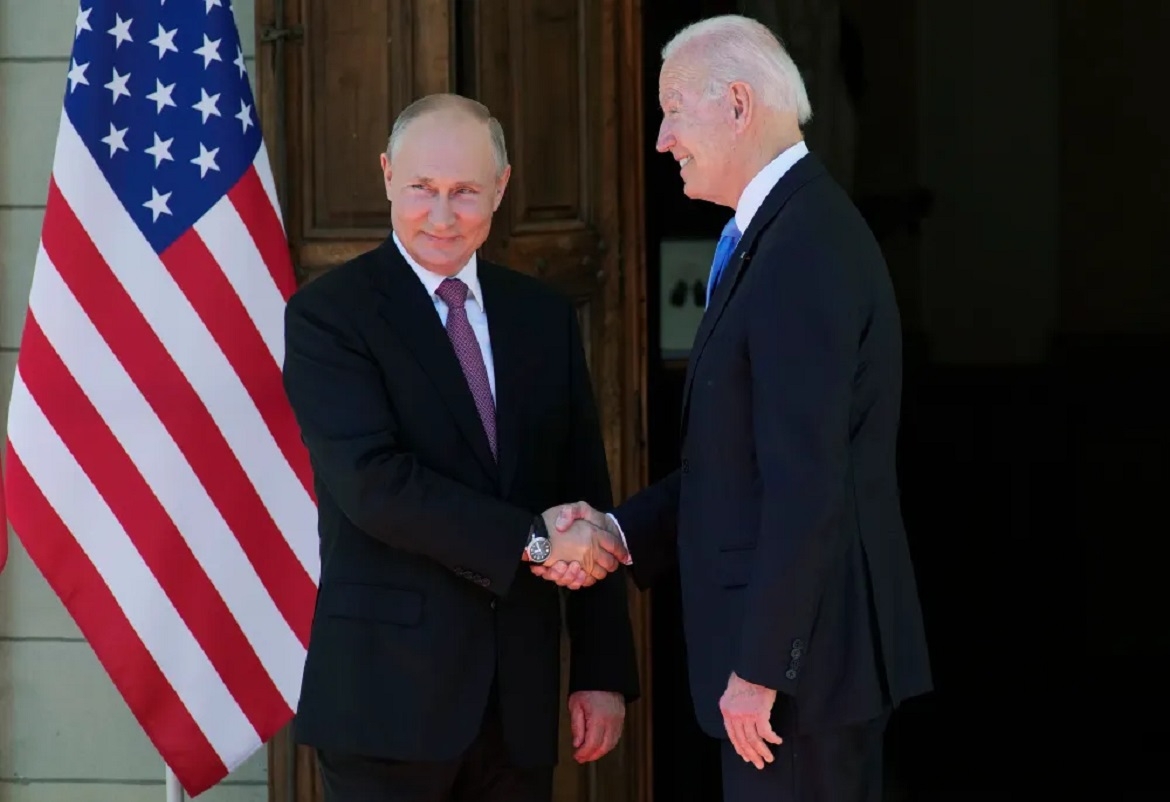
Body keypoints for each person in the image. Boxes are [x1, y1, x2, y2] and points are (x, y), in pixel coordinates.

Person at [536, 14, 932, 802]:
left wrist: (761, 669)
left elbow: (806, 480)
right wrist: (617, 532)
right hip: (796, 682)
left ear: (740, 105)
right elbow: (739, 464)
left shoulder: (802, 246)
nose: (661, 139)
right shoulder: (780, 231)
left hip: (802, 688)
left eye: (673, 110)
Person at [281, 93, 639, 802]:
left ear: (501, 189)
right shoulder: (330, 315)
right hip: (385, 704)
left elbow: (584, 489)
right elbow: (376, 486)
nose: (441, 216)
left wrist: (602, 670)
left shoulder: (542, 315)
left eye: (465, 192)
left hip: (519, 702)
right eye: (422, 188)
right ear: (387, 176)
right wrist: (533, 540)